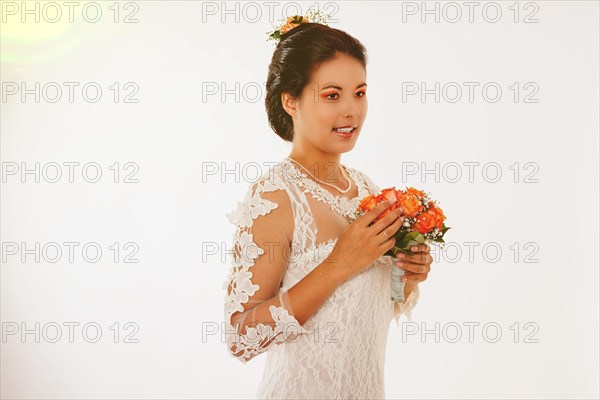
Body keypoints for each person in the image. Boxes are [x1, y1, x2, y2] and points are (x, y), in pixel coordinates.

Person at [223, 20, 434, 399]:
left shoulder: (367, 190)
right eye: (332, 95)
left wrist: (407, 276)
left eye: (360, 92)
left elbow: (360, 313)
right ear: (291, 100)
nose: (352, 111)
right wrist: (339, 263)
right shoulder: (276, 196)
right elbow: (241, 337)